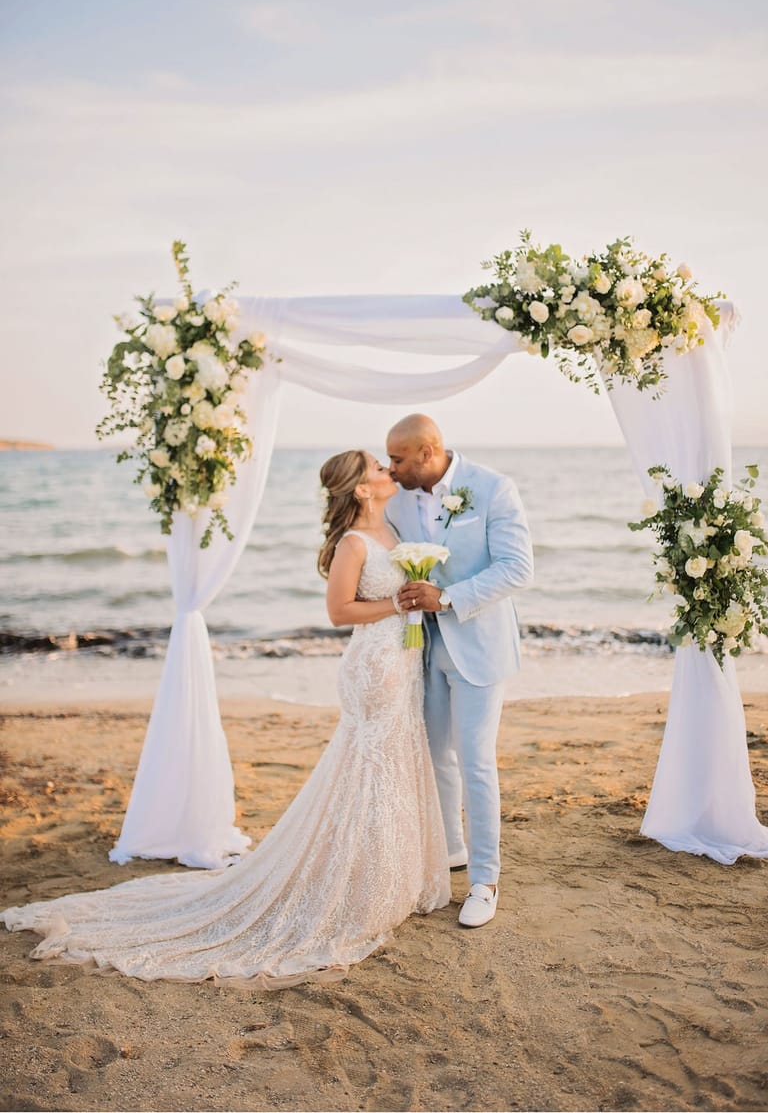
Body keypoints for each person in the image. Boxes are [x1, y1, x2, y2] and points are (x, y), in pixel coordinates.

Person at [1, 450, 450, 988]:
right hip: (374, 667)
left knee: (393, 767)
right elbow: (338, 613)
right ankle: (362, 890)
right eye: (380, 469)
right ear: (361, 490)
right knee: (371, 771)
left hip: (402, 661)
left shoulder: (393, 531)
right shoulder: (354, 543)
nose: (389, 473)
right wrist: (397, 607)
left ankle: (386, 877)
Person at [386, 415, 534, 928]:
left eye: (399, 459)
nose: (391, 469)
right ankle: (450, 848)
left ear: (428, 452)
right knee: (435, 756)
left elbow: (518, 567)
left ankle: (485, 881)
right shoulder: (397, 502)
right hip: (424, 650)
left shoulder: (492, 488)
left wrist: (448, 597)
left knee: (476, 761)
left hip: (480, 647)